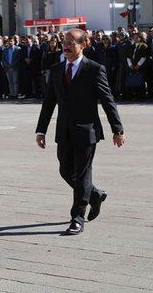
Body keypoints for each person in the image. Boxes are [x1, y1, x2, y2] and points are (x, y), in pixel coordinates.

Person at [36, 29, 125, 236]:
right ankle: (95, 195)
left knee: (83, 174)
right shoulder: (57, 69)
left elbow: (107, 100)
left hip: (87, 131)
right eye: (64, 42)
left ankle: (77, 217)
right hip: (64, 131)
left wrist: (117, 129)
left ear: (83, 44)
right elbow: (49, 102)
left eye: (71, 43)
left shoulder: (94, 69)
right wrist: (41, 130)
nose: (65, 46)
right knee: (66, 171)